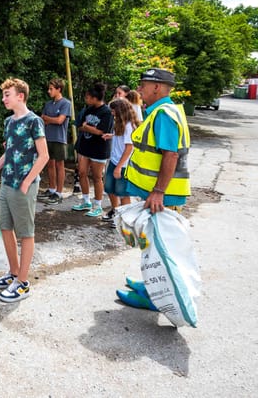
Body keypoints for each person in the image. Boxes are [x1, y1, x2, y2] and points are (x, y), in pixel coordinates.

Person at [118, 68, 191, 310]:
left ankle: (155, 298)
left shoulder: (164, 114)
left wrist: (159, 190)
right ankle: (150, 286)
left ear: (157, 87)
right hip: (158, 195)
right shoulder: (161, 111)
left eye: (144, 84)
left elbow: (170, 155)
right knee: (151, 245)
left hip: (162, 197)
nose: (139, 88)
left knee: (160, 249)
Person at [0, 78, 48, 302]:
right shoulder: (9, 122)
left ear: (21, 96)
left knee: (26, 233)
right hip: (7, 183)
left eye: (7, 94)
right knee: (6, 228)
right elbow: (8, 153)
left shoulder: (34, 121)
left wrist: (27, 181)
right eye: (3, 95)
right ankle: (13, 273)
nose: (3, 98)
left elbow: (44, 156)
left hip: (23, 185)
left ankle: (23, 283)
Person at [71, 83, 113, 218]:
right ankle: (85, 200)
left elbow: (102, 131)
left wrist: (88, 128)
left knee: (96, 177)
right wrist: (90, 129)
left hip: (99, 149)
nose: (86, 100)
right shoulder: (88, 109)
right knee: (82, 172)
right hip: (84, 146)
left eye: (88, 97)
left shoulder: (106, 112)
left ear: (95, 98)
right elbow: (80, 125)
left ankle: (98, 205)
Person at [101, 99, 137, 223]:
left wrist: (119, 167)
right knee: (109, 187)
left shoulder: (129, 126)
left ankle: (125, 219)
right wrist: (111, 136)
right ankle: (115, 211)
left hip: (123, 165)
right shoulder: (120, 123)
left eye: (113, 111)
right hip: (114, 160)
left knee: (122, 192)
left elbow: (129, 147)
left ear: (120, 111)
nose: (112, 113)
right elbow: (121, 139)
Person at [39, 78, 72, 204]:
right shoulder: (48, 104)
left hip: (59, 138)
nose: (49, 91)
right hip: (47, 137)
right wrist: (51, 119)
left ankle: (59, 192)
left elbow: (60, 121)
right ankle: (51, 189)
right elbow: (43, 120)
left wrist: (49, 118)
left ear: (59, 89)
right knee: (50, 164)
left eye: (51, 89)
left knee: (59, 165)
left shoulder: (66, 103)